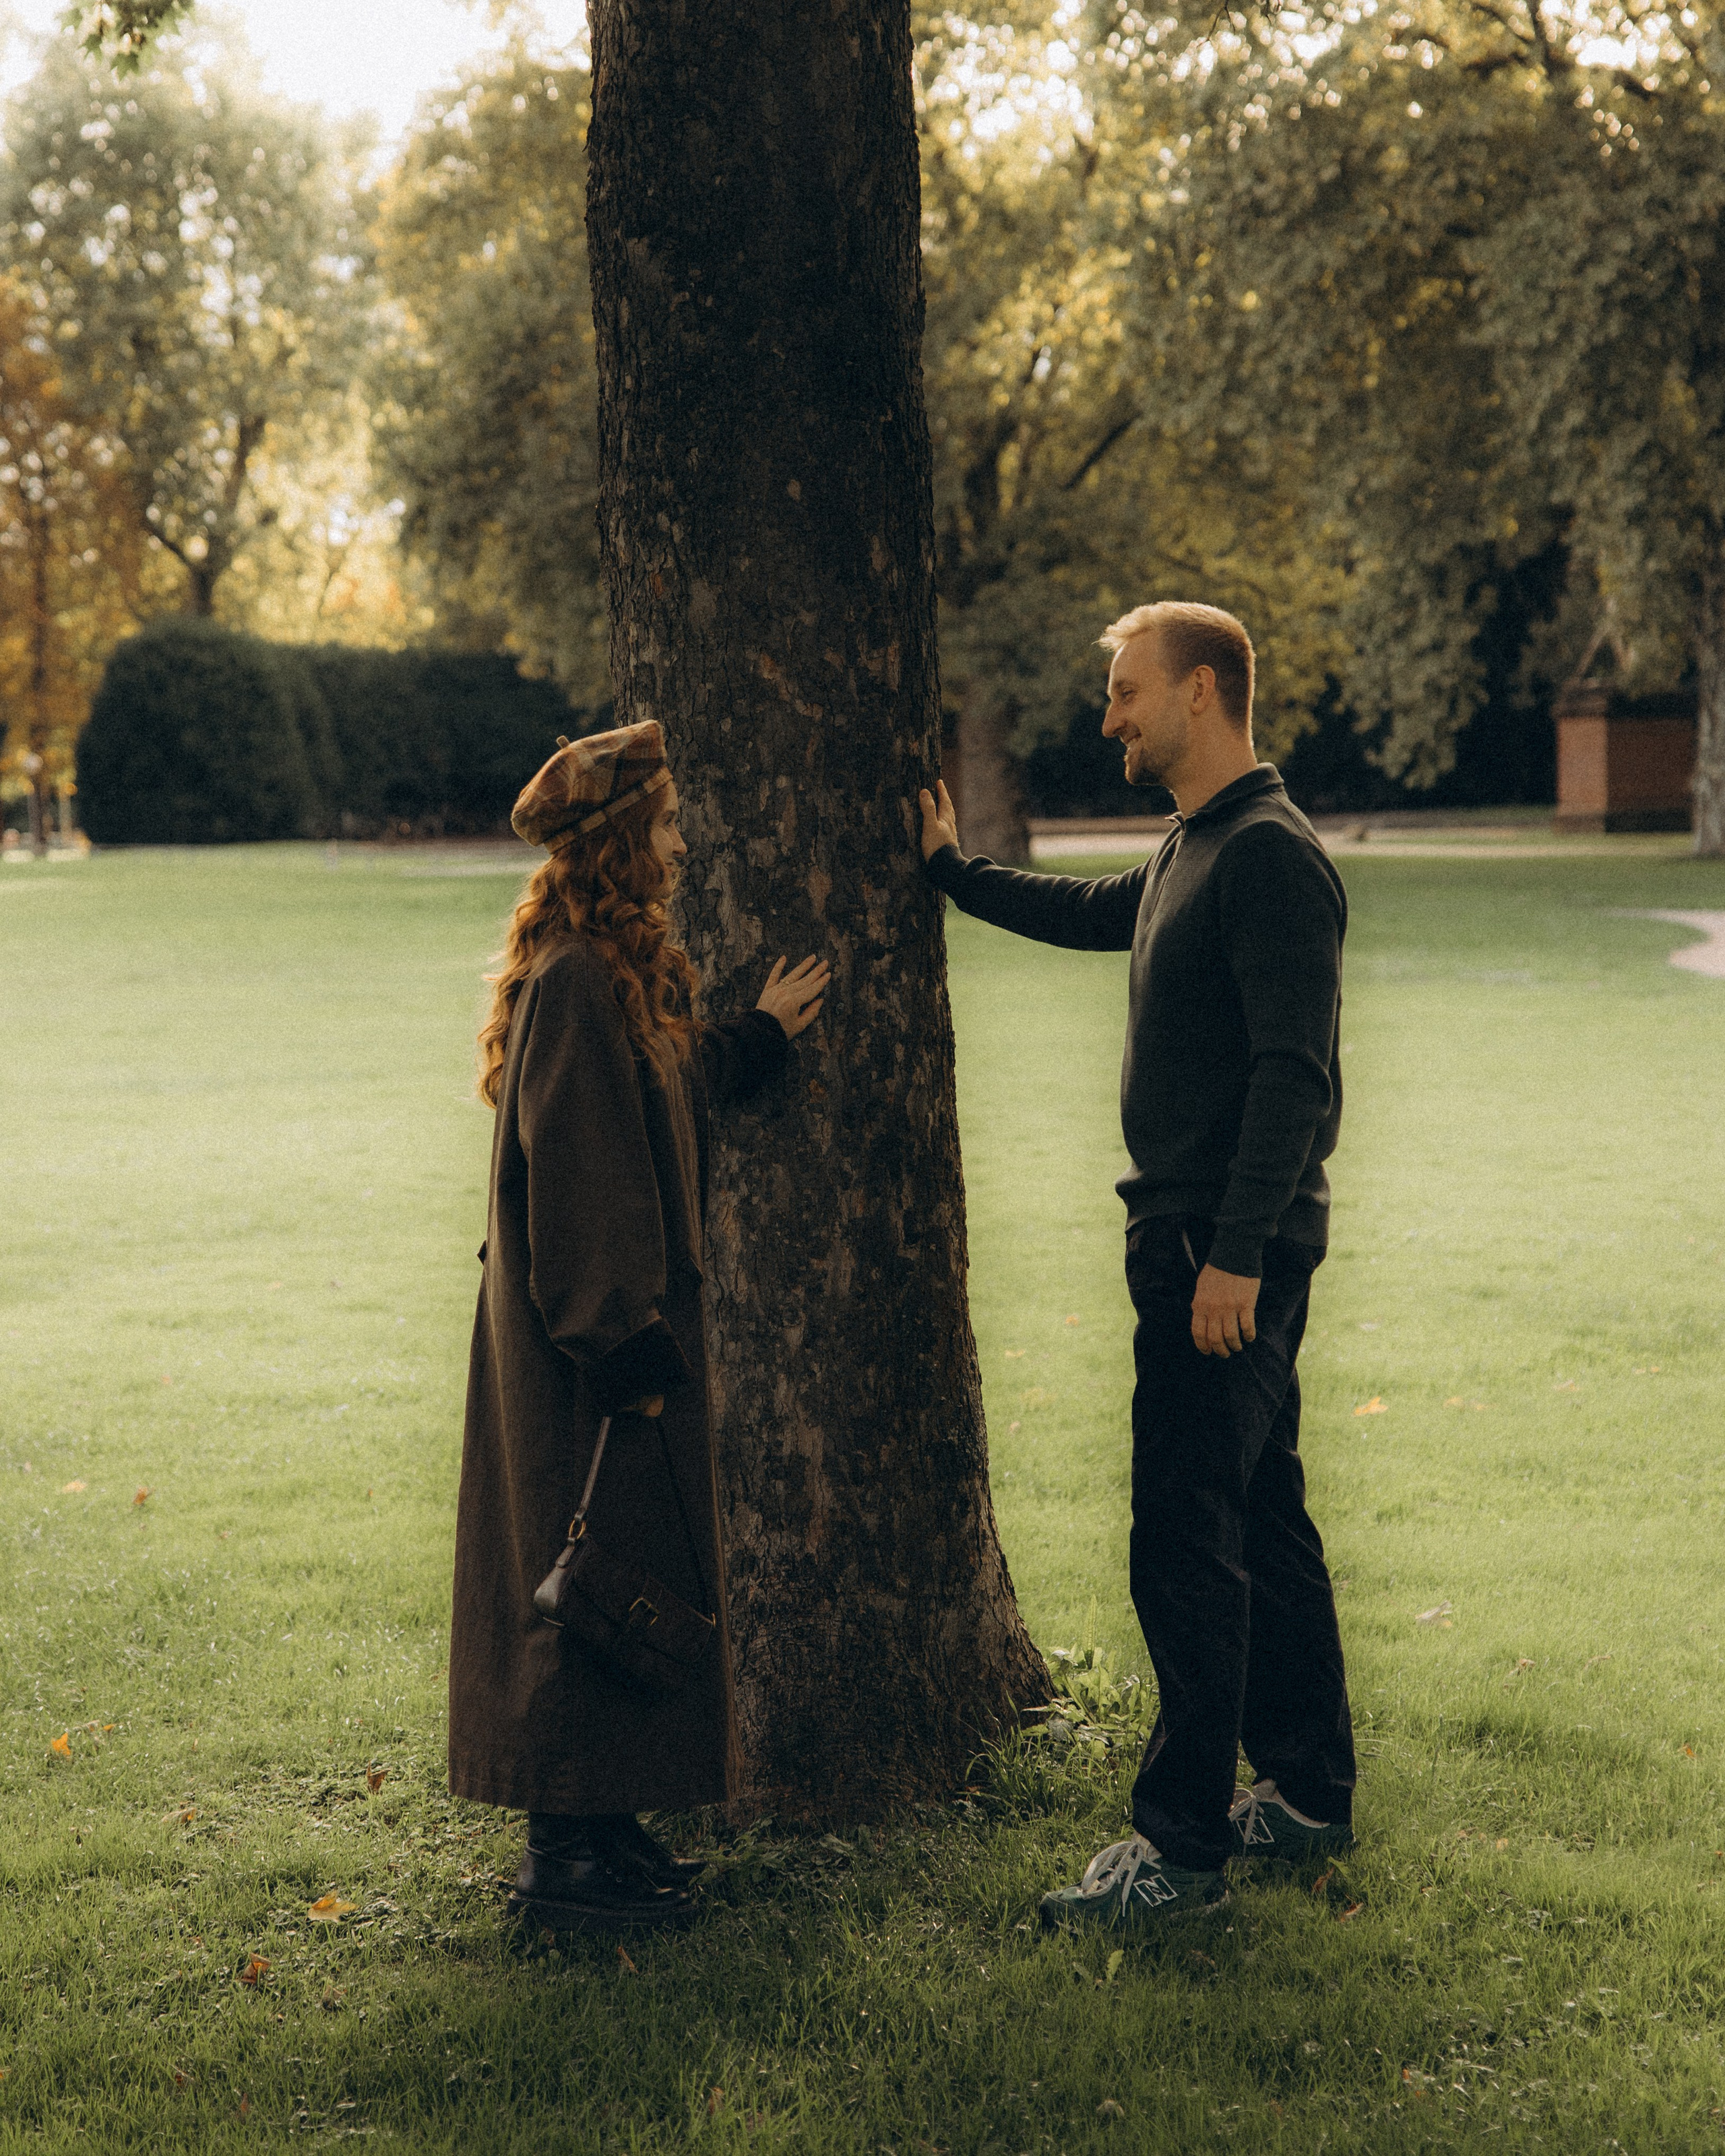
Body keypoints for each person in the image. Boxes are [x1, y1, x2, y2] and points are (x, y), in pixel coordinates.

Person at [918, 602, 1356, 1930]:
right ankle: (1307, 1789)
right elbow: (1091, 910)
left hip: (1217, 1252)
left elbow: (1295, 1075)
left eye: (1124, 693)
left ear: (1203, 693)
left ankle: (1178, 1856)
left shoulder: (1270, 856)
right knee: (1260, 1518)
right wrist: (951, 872)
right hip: (1197, 1241)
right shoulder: (1194, 845)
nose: (1106, 718)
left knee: (1183, 1541)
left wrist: (1230, 1256)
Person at [449, 720, 829, 1933]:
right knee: (580, 1582)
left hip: (608, 1345)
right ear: (620, 842)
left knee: (618, 1580)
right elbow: (580, 1179)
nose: (677, 843)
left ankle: (604, 1836)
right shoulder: (569, 981)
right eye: (662, 825)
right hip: (589, 1354)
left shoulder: (607, 971)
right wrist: (626, 1351)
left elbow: (656, 1086)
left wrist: (754, 1036)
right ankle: (561, 1867)